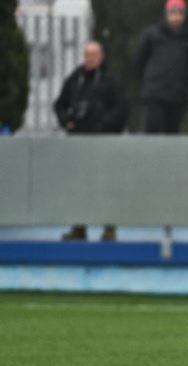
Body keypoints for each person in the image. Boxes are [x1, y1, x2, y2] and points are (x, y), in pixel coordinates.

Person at [54, 40, 126, 241]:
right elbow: (59, 104)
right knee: (78, 185)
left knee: (106, 184)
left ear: (101, 57)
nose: (90, 59)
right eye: (87, 55)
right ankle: (79, 226)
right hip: (78, 142)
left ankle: (109, 227)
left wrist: (103, 124)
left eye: (94, 55)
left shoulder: (110, 80)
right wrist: (66, 121)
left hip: (104, 143)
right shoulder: (75, 79)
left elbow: (120, 110)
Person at [135, 0, 188, 133]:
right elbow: (139, 60)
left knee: (173, 133)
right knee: (152, 130)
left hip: (178, 94)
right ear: (166, 14)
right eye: (172, 12)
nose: (176, 16)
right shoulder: (151, 34)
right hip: (155, 93)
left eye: (179, 13)